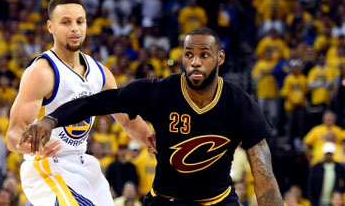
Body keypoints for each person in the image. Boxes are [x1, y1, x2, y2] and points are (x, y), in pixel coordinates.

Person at [22, 27, 283, 205]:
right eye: (189, 54)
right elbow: (98, 102)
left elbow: (264, 176)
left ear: (220, 58)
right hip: (166, 199)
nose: (195, 62)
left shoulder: (239, 103)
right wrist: (50, 120)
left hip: (218, 199)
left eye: (204, 55)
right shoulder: (161, 91)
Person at [6, 0, 154, 206]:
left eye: (79, 21)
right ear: (51, 26)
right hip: (46, 164)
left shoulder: (101, 73)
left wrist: (151, 139)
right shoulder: (42, 72)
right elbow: (13, 135)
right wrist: (34, 147)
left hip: (83, 163)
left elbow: (127, 120)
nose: (74, 28)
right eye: (65, 22)